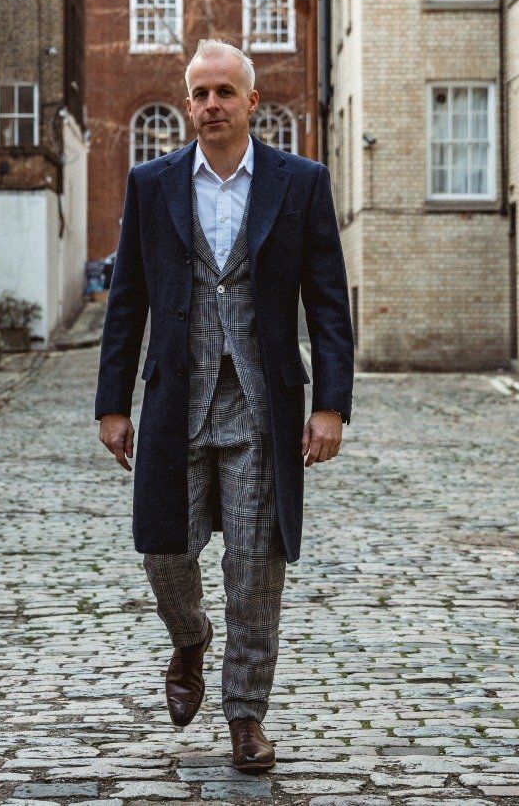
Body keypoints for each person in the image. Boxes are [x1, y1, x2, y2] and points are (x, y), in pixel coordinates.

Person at [94, 38, 354, 773]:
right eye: (199, 94)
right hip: (177, 402)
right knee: (163, 550)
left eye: (224, 93)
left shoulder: (299, 183)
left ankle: (246, 716)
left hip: (261, 411)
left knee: (255, 567)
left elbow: (328, 302)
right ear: (188, 104)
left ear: (251, 101)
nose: (211, 105)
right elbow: (128, 302)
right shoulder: (152, 184)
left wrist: (331, 403)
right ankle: (190, 637)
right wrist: (112, 403)